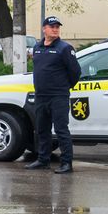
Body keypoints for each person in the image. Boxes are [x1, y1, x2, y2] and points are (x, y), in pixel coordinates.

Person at [25, 16, 81, 174]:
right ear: (44, 29)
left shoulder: (64, 48)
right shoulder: (37, 48)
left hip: (58, 96)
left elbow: (75, 72)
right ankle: (43, 160)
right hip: (41, 96)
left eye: (57, 27)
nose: (55, 29)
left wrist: (64, 87)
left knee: (61, 130)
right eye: (52, 26)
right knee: (42, 129)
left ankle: (66, 163)